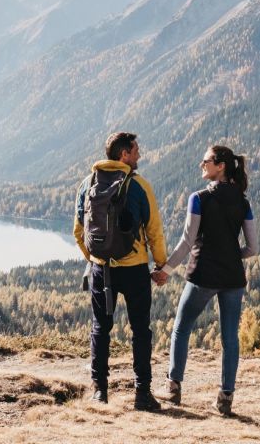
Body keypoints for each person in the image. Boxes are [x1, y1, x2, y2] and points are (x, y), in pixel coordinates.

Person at [152, 144, 258, 415]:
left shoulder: (199, 198)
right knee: (230, 338)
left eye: (206, 160)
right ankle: (225, 399)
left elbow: (187, 241)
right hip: (233, 277)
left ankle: (173, 388)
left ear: (220, 165)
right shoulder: (243, 202)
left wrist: (166, 270)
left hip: (203, 275)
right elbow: (253, 248)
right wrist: (233, 256)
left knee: (181, 327)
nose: (202, 164)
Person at [74, 132, 167, 411]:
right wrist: (160, 264)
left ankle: (99, 391)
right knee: (140, 330)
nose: (139, 155)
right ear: (124, 154)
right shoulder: (139, 185)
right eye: (136, 150)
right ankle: (142, 394)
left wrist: (94, 259)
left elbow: (79, 231)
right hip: (134, 268)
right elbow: (154, 232)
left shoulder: (87, 184)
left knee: (100, 328)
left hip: (102, 270)